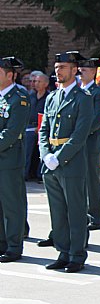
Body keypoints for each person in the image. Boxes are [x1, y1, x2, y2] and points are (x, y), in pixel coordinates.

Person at [39, 51, 94, 273]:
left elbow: (80, 134)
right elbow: (44, 129)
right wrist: (46, 154)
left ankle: (77, 254)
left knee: (76, 210)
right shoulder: (52, 97)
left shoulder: (83, 98)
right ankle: (63, 251)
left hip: (71, 161)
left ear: (74, 70)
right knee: (57, 210)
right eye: (56, 67)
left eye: (62, 67)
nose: (58, 71)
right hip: (51, 159)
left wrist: (59, 157)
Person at [0, 57, 30, 263]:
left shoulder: (19, 97)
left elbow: (11, 132)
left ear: (10, 75)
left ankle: (14, 245)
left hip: (9, 159)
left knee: (12, 204)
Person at [77, 57, 100, 231]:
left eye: (86, 69)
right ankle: (80, 213)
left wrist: (78, 133)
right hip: (74, 142)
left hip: (89, 142)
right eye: (80, 68)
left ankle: (95, 215)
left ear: (94, 72)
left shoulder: (99, 92)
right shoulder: (76, 91)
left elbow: (97, 119)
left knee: (91, 178)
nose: (82, 71)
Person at [25, 71, 49, 180]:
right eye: (35, 81)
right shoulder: (30, 96)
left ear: (45, 84)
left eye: (39, 81)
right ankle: (25, 173)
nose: (36, 83)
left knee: (43, 150)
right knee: (26, 148)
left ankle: (40, 175)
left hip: (44, 128)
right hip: (29, 127)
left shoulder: (50, 97)